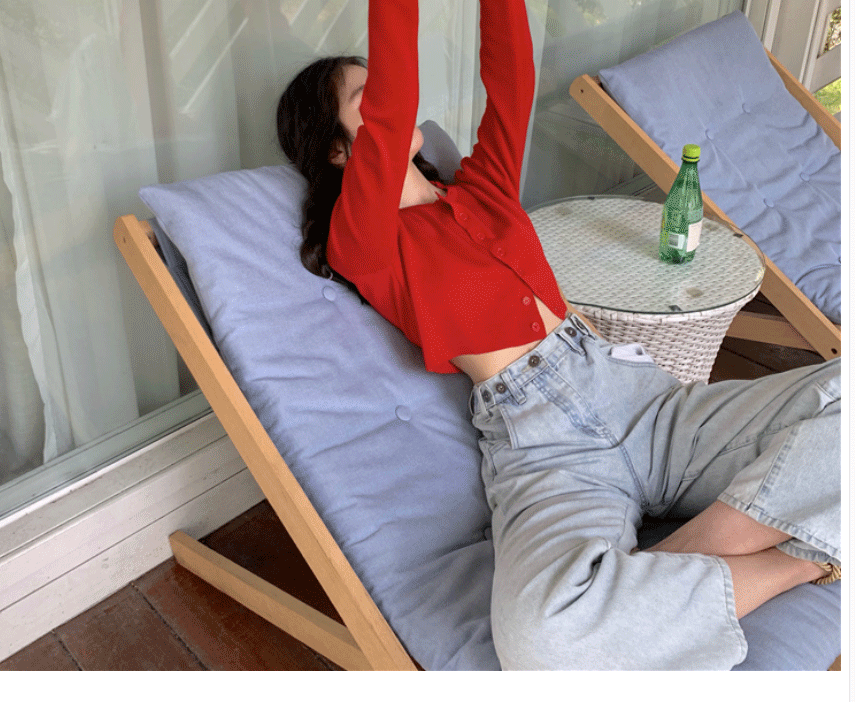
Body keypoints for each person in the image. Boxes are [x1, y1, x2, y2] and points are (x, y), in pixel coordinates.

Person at [276, 0, 841, 670]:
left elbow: (512, 79)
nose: (391, 102)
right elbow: (396, 104)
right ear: (339, 149)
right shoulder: (361, 242)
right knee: (542, 638)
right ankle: (800, 562)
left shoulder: (481, 191)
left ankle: (677, 564)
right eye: (365, 98)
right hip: (543, 442)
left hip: (645, 402)